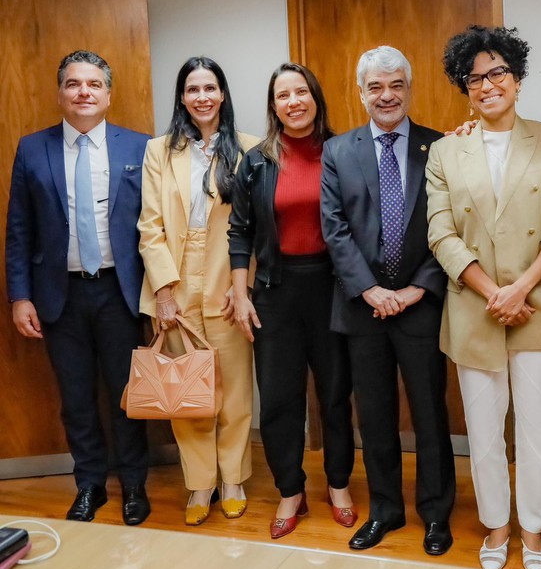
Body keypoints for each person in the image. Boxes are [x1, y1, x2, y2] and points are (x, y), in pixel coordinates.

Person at [427, 26, 541, 569]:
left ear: (516, 78)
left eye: (498, 73)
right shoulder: (445, 150)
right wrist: (494, 293)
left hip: (538, 304)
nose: (488, 85)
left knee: (539, 428)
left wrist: (519, 289)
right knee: (484, 432)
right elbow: (440, 234)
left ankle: (533, 528)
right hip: (475, 308)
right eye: (475, 78)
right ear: (464, 88)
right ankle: (496, 524)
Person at [5, 50, 151, 525]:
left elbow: (155, 227)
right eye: (73, 83)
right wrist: (20, 295)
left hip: (120, 293)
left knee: (127, 394)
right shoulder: (32, 148)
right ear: (61, 93)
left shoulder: (139, 147)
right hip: (59, 295)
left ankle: (133, 485)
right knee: (76, 397)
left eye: (93, 84)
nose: (83, 92)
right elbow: (19, 229)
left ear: (109, 94)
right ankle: (90, 484)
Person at [321, 46, 456, 555]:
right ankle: (385, 510)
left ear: (409, 88)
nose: (386, 95)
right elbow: (333, 229)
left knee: (429, 414)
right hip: (363, 307)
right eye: (375, 86)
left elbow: (447, 224)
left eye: (395, 84)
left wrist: (416, 288)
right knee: (373, 415)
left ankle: (436, 514)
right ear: (361, 93)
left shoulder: (437, 147)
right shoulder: (338, 151)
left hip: (420, 303)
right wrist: (370, 289)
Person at [228, 63, 356, 539]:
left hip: (333, 290)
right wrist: (241, 296)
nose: (294, 102)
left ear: (315, 97)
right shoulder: (257, 161)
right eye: (283, 95)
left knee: (336, 393)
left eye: (301, 91)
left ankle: (339, 484)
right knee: (279, 399)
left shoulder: (343, 151)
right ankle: (290, 490)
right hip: (275, 294)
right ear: (273, 106)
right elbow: (239, 232)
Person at [138, 57, 259, 525]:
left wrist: (241, 286)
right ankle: (200, 484)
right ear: (182, 97)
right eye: (193, 89)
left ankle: (233, 477)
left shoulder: (249, 149)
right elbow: (149, 226)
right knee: (185, 387)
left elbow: (256, 225)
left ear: (223, 94)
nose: (202, 97)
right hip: (174, 275)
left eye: (210, 87)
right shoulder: (159, 151)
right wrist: (163, 291)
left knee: (233, 388)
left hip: (227, 274)